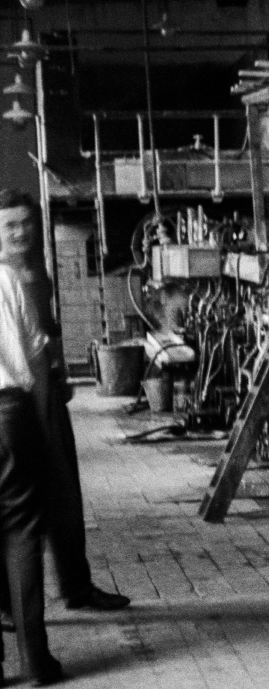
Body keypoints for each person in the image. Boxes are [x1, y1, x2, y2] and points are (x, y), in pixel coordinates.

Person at [0, 191, 129, 630]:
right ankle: (11, 605)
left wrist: (60, 374)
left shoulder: (35, 269)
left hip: (46, 391)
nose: (20, 231)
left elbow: (47, 332)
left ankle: (75, 586)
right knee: (19, 505)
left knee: (63, 495)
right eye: (10, 225)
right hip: (18, 399)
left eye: (25, 222)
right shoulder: (7, 276)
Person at [0, 212, 62, 686]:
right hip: (10, 414)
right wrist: (40, 421)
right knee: (22, 533)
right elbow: (38, 358)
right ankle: (36, 660)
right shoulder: (7, 279)